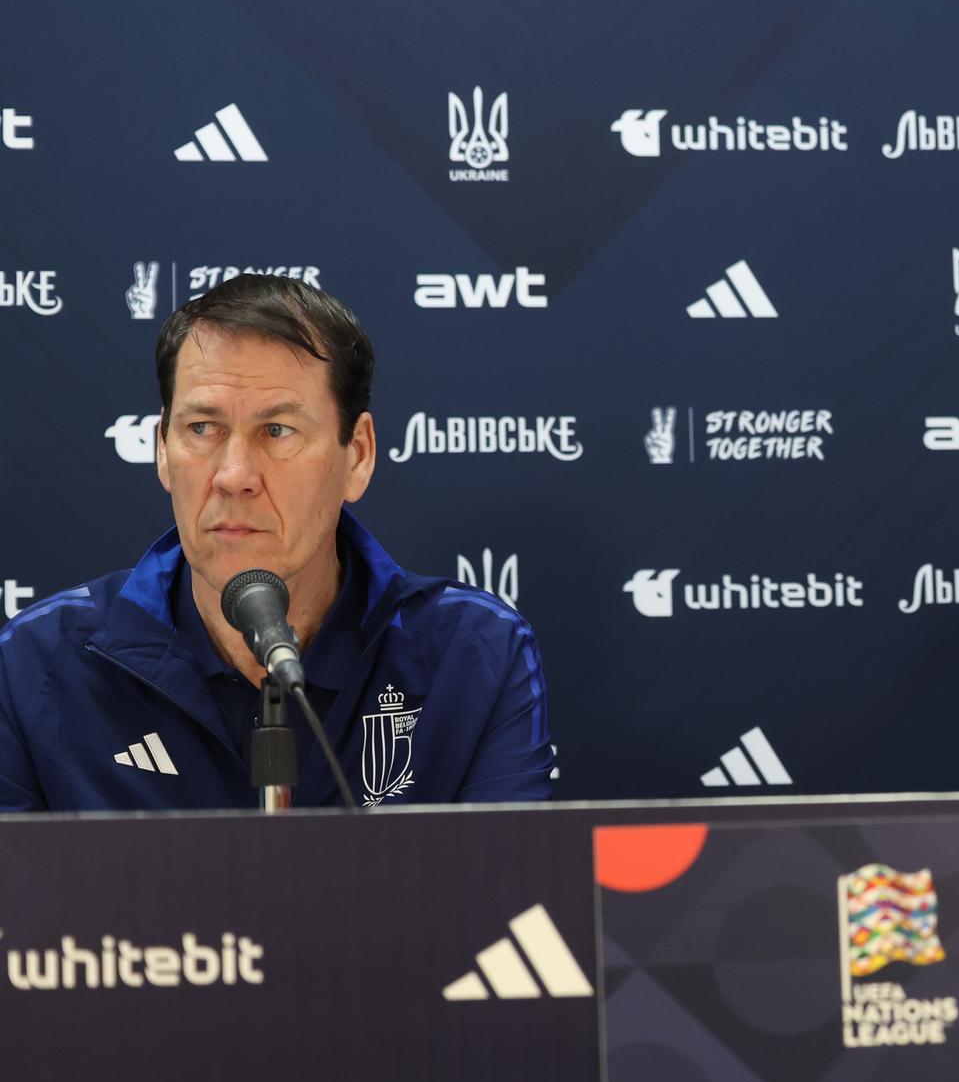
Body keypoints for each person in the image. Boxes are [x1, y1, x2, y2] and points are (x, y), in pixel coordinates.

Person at [0, 275, 555, 810]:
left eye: (277, 431)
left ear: (357, 454)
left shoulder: (475, 655)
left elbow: (515, 896)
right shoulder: (36, 663)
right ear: (163, 451)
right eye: (202, 429)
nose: (233, 474)